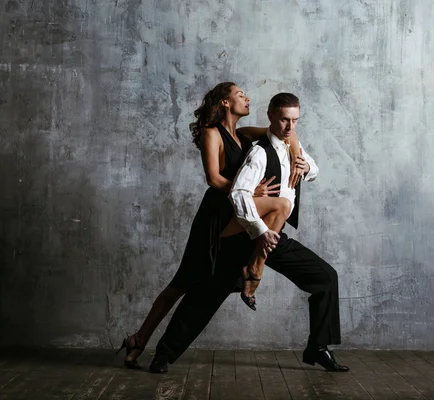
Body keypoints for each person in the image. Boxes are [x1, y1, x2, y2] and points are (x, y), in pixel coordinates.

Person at [148, 92, 349, 374]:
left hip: (272, 233)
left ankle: (318, 347)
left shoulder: (293, 145)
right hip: (249, 233)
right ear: (270, 117)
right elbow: (239, 196)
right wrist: (260, 232)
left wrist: (307, 168)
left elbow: (313, 168)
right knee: (205, 294)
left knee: (325, 277)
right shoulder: (258, 152)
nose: (290, 127)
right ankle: (164, 354)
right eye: (284, 120)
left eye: (295, 121)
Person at [116, 83, 302, 369]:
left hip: (237, 212)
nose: (247, 97)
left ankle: (145, 343)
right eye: (240, 95)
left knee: (279, 207)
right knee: (181, 284)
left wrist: (300, 160)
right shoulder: (211, 133)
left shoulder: (242, 134)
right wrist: (250, 193)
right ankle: (138, 339)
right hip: (215, 215)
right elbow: (213, 179)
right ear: (225, 103)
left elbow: (283, 134)